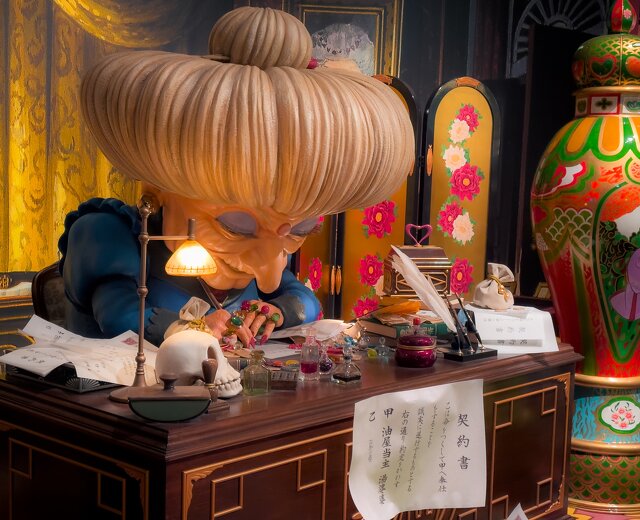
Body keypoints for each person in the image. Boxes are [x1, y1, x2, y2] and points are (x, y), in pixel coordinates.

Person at [59, 6, 414, 347]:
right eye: (238, 227)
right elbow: (117, 314)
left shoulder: (270, 246)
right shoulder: (109, 233)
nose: (267, 274)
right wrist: (193, 327)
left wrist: (277, 311)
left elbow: (301, 297)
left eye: (301, 229)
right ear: (158, 187)